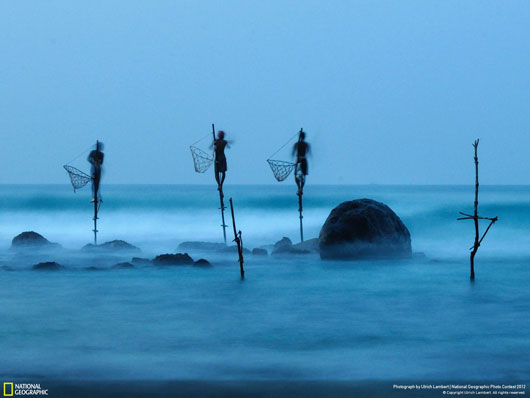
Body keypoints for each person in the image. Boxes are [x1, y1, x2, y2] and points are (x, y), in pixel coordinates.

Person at [292, 129, 310, 195]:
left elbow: (293, 153)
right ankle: (301, 188)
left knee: (296, 175)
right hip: (304, 160)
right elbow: (308, 152)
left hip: (299, 160)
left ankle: (299, 188)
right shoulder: (306, 144)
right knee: (303, 176)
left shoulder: (297, 144)